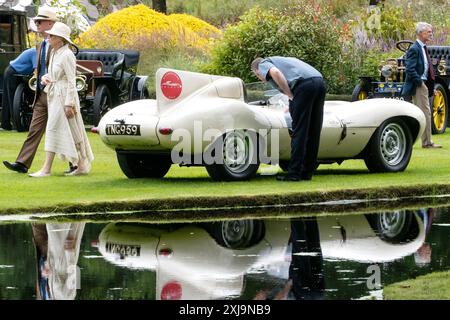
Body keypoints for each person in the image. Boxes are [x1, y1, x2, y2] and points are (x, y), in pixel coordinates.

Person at [28, 22, 93, 177]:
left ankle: (46, 169)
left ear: (60, 39)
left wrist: (69, 103)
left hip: (64, 96)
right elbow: (54, 74)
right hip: (54, 94)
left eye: (52, 36)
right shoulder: (54, 53)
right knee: (73, 129)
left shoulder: (67, 55)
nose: (48, 38)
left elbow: (72, 80)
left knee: (52, 127)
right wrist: (46, 78)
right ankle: (82, 165)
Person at [2, 6, 60, 173]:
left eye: (40, 21)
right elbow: (39, 69)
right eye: (36, 22)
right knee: (34, 130)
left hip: (57, 94)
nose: (37, 24)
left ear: (50, 23)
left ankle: (76, 163)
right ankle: (22, 163)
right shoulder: (41, 45)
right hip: (42, 94)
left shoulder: (60, 45)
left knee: (68, 130)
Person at [251, 56, 326, 181]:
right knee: (314, 130)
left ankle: (294, 174)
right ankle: (307, 173)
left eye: (257, 75)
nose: (260, 78)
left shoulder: (263, 63)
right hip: (319, 82)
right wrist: (293, 103)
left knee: (299, 131)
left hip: (304, 86)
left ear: (256, 70)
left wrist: (290, 95)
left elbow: (275, 72)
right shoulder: (281, 60)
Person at [401, 22, 442, 149]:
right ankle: (427, 142)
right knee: (425, 113)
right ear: (420, 33)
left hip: (423, 84)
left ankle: (426, 141)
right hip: (418, 85)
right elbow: (410, 69)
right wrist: (420, 84)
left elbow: (427, 69)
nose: (431, 34)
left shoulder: (423, 48)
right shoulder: (414, 48)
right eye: (428, 32)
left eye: (431, 31)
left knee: (424, 113)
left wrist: (430, 87)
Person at [32, 222, 85, 300]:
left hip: (54, 257)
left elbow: (53, 275)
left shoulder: (52, 297)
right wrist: (70, 253)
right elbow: (74, 274)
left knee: (52, 226)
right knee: (62, 226)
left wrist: (46, 269)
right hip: (65, 258)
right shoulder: (67, 297)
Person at [1, 47, 37, 130]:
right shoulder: (35, 52)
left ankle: (5, 125)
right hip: (13, 72)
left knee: (9, 98)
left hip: (16, 73)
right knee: (12, 99)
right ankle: (15, 125)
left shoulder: (35, 51)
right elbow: (36, 70)